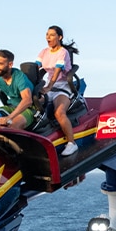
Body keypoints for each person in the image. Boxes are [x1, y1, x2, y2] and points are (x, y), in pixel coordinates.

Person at [39, 25, 78, 156]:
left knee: (59, 112)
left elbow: (56, 72)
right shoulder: (44, 52)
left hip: (63, 87)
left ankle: (72, 143)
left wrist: (49, 87)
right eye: (47, 34)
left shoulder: (63, 52)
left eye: (51, 35)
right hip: (49, 86)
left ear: (59, 37)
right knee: (35, 104)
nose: (48, 37)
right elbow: (35, 68)